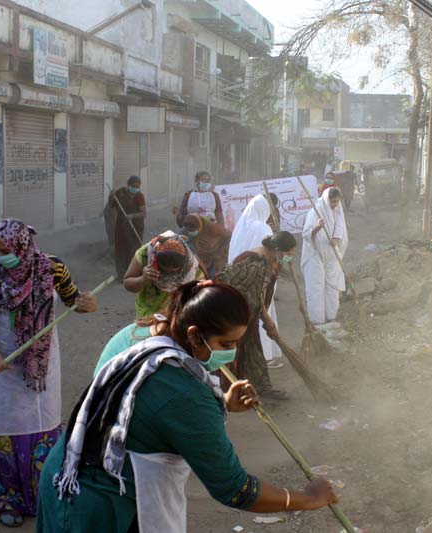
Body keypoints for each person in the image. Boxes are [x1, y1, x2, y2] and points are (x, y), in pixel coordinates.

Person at [37, 280, 338, 532]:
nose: (233, 355)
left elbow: (153, 414)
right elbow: (234, 488)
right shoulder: (185, 395)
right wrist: (306, 499)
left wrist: (222, 404)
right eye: (225, 344)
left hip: (74, 470)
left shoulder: (156, 340)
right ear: (194, 335)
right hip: (92, 503)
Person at [0, 218, 97, 527]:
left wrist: (86, 303)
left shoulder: (53, 269)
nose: (0, 256)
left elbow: (72, 300)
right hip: (5, 364)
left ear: (22, 245)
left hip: (42, 363)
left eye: (5, 250)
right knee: (5, 426)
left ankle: (44, 495)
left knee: (41, 424)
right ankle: (8, 498)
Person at [218, 231, 297, 399]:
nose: (289, 258)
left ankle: (261, 387)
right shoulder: (256, 264)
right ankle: (226, 392)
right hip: (235, 315)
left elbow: (257, 296)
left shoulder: (270, 259)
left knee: (253, 350)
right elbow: (249, 297)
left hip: (248, 314)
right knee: (232, 352)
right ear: (277, 249)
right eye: (288, 254)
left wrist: (265, 319)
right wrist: (267, 321)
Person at [227, 195, 283, 368]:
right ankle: (265, 356)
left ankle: (247, 357)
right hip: (259, 279)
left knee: (246, 317)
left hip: (240, 279)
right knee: (262, 314)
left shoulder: (241, 225)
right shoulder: (262, 227)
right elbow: (270, 254)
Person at [123, 232, 205, 320]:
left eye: (174, 270)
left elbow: (202, 298)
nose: (169, 270)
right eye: (164, 268)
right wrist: (142, 279)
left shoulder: (193, 268)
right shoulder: (145, 254)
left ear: (184, 265)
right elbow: (127, 283)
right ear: (155, 259)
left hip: (177, 316)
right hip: (147, 313)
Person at [301, 188, 349, 324]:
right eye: (333, 201)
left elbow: (340, 227)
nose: (335, 204)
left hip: (331, 254)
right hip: (315, 254)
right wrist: (318, 227)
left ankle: (331, 316)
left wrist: (336, 239)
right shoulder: (314, 212)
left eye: (337, 201)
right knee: (316, 287)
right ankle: (317, 320)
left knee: (332, 286)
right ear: (327, 200)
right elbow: (306, 234)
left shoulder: (337, 210)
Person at [106, 176, 145, 278]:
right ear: (128, 185)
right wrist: (111, 196)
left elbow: (143, 213)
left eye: (137, 187)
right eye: (133, 186)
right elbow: (111, 205)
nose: (135, 189)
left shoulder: (140, 196)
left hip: (135, 227)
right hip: (121, 227)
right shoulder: (120, 193)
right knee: (120, 250)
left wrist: (133, 216)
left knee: (133, 250)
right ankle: (121, 274)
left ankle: (133, 273)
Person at [179, 213, 231, 278]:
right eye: (188, 230)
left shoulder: (212, 228)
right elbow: (178, 238)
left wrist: (223, 249)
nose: (190, 232)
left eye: (193, 230)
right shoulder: (186, 228)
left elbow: (229, 235)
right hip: (201, 257)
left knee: (219, 273)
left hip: (216, 253)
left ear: (199, 226)